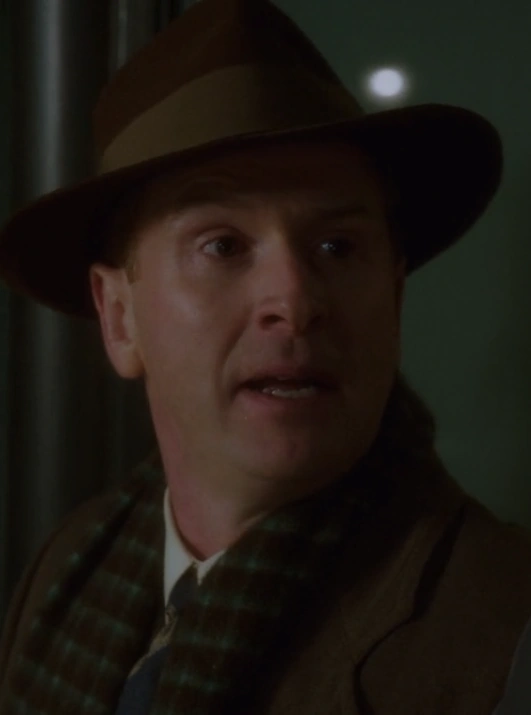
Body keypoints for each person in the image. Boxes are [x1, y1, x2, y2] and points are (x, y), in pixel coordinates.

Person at [0, 0, 530, 713]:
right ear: (119, 317)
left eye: (337, 247)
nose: (295, 299)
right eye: (222, 245)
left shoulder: (504, 628)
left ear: (394, 298)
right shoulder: (66, 566)